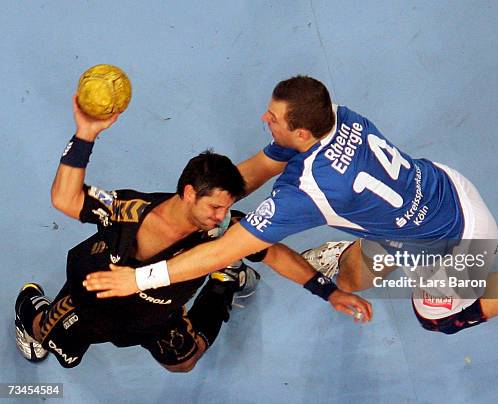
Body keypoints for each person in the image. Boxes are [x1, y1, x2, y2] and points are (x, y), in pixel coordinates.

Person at [83, 76, 498, 334]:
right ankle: (354, 256)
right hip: (442, 188)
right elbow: (254, 172)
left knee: (436, 319)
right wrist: (195, 199)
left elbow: (225, 252)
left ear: (302, 128)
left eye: (273, 119)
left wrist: (138, 279)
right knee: (353, 273)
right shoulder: (338, 115)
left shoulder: (308, 191)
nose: (266, 121)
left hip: (461, 242)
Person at [14, 95, 372, 370]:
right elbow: (66, 198)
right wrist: (86, 133)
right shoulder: (127, 209)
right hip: (88, 303)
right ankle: (28, 304)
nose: (222, 217)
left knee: (183, 362)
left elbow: (276, 254)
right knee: (51, 338)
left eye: (227, 208)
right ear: (188, 193)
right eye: (215, 208)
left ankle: (225, 278)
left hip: (158, 315)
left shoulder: (220, 232)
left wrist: (329, 293)